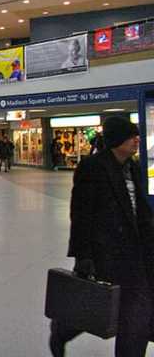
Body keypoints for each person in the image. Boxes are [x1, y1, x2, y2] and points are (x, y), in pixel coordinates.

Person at [49, 116, 154, 357]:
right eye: (131, 135)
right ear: (117, 139)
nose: (137, 139)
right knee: (96, 304)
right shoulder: (93, 167)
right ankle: (64, 329)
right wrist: (82, 255)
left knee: (137, 316)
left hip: (137, 255)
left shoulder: (136, 168)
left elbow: (143, 212)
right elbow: (81, 214)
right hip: (106, 253)